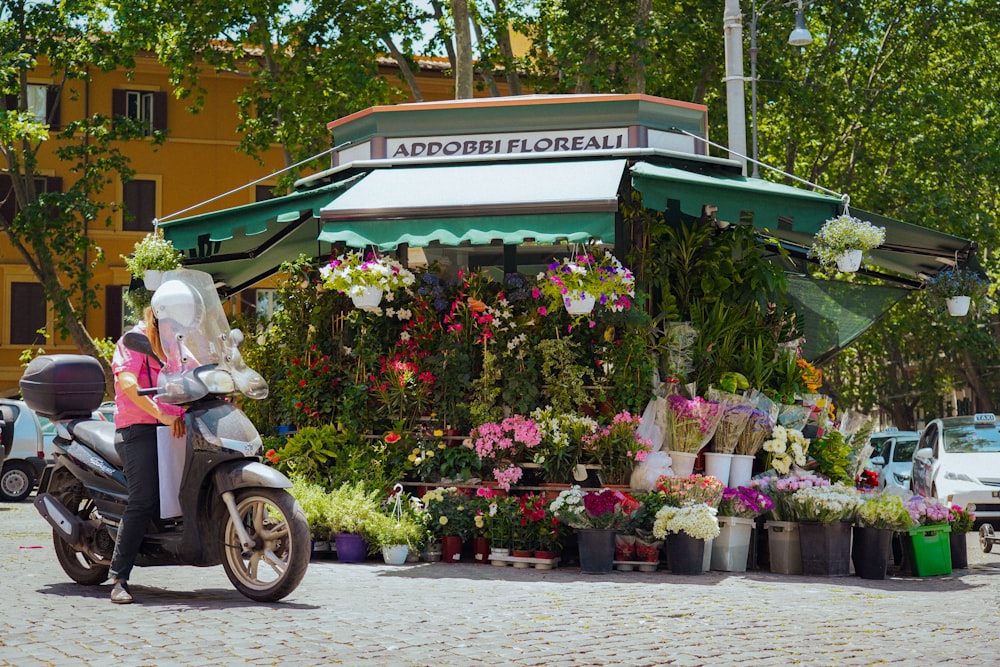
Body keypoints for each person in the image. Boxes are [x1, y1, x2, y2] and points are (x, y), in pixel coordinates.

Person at [108, 306, 185, 604]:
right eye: (171, 320)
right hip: (137, 428)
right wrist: (161, 415)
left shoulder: (177, 344)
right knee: (144, 499)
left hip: (173, 427)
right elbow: (128, 383)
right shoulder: (133, 340)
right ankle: (119, 578)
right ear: (156, 317)